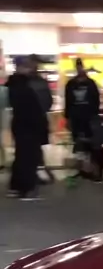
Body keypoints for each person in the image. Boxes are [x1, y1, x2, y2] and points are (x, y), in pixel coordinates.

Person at [6, 57, 44, 200]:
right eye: (28, 66)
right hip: (28, 125)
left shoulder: (15, 84)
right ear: (20, 67)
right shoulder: (22, 85)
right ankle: (27, 189)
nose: (31, 69)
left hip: (21, 124)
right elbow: (30, 108)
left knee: (21, 156)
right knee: (29, 157)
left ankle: (16, 187)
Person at [65, 58, 103, 181]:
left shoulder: (91, 84)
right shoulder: (71, 84)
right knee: (79, 146)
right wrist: (68, 118)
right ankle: (83, 169)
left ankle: (93, 170)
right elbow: (68, 102)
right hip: (76, 119)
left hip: (89, 119)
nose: (79, 69)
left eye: (80, 66)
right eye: (78, 66)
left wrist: (94, 116)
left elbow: (96, 101)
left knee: (91, 145)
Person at [28, 54, 54, 183]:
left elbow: (48, 101)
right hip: (34, 118)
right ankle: (37, 172)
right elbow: (48, 101)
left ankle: (37, 172)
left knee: (34, 147)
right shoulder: (38, 82)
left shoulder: (28, 81)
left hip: (33, 119)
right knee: (34, 147)